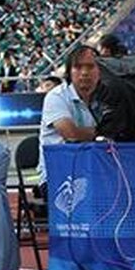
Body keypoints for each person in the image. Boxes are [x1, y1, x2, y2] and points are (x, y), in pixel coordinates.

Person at [37, 45, 100, 199]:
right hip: (58, 176)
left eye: (91, 67)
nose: (84, 72)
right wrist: (104, 132)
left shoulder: (107, 95)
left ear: (100, 70)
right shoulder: (56, 96)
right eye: (78, 67)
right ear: (69, 72)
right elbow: (71, 134)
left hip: (97, 171)